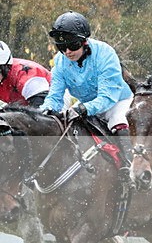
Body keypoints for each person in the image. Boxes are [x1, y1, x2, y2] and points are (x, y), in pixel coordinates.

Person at [39, 11, 134, 180]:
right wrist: (44, 113)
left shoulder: (105, 54)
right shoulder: (60, 62)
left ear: (84, 41)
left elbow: (107, 97)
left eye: (73, 45)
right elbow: (55, 97)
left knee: (117, 120)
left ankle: (129, 168)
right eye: (61, 47)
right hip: (87, 106)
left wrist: (83, 108)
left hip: (118, 102)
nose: (67, 51)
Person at [0, 41, 51, 108]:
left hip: (54, 95)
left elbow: (40, 108)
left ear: (5, 68)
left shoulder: (25, 74)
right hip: (23, 104)